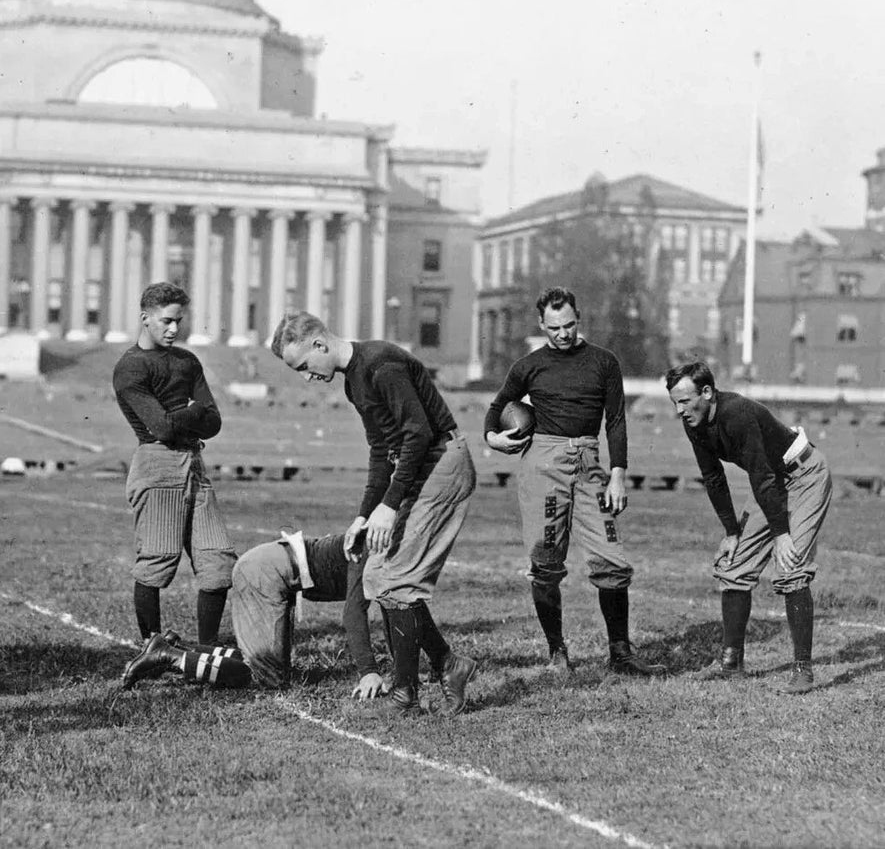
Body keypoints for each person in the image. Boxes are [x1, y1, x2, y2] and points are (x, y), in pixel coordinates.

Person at [269, 310, 479, 715]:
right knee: (377, 573)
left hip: (441, 465)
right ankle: (448, 664)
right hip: (417, 466)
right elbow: (383, 451)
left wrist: (389, 504)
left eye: (305, 366)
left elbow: (417, 434)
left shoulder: (382, 365)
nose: (307, 377)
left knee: (397, 579)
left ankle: (404, 695)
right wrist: (365, 515)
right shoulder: (354, 381)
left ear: (320, 343)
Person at [484, 286, 660, 676]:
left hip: (589, 463)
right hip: (543, 465)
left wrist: (618, 475)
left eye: (568, 325)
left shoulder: (604, 362)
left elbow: (615, 420)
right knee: (545, 561)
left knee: (612, 558)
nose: (562, 334)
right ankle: (556, 652)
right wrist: (493, 438)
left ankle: (621, 654)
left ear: (579, 318)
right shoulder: (529, 365)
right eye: (553, 328)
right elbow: (497, 408)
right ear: (541, 325)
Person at [664, 362, 831, 693]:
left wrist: (781, 534)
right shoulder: (694, 422)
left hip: (804, 476)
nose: (679, 410)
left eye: (684, 401)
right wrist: (731, 531)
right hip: (771, 482)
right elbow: (713, 476)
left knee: (790, 567)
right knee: (735, 565)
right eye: (675, 403)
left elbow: (760, 473)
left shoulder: (737, 413)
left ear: (708, 392)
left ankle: (802, 670)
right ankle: (731, 663)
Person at [122, 527, 392, 697]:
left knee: (272, 668)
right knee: (266, 678)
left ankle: (177, 645)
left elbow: (398, 606)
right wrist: (368, 671)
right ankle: (171, 657)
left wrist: (435, 665)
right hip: (266, 573)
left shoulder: (382, 545)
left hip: (272, 568)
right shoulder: (371, 548)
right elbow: (354, 614)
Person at [112, 282, 237, 647]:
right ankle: (152, 647)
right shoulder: (130, 367)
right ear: (145, 318)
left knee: (217, 561)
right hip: (156, 463)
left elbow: (213, 422)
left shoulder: (187, 361)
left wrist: (186, 414)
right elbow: (161, 427)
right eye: (166, 321)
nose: (173, 329)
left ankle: (206, 647)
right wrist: (193, 411)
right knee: (158, 559)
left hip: (194, 463)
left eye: (178, 321)